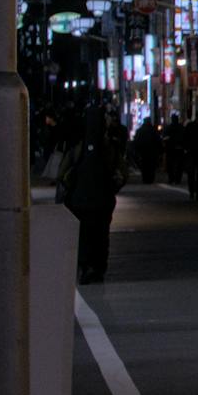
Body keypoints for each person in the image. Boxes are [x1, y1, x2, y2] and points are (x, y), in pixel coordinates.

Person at [59, 109, 121, 282]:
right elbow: (121, 172)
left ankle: (85, 266)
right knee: (101, 235)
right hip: (103, 201)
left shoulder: (78, 147)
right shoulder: (109, 147)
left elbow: (62, 173)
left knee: (83, 235)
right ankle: (98, 267)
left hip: (79, 201)